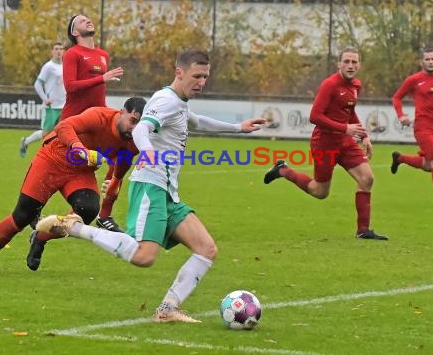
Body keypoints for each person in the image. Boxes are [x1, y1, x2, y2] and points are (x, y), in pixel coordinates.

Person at [35, 49, 266, 323]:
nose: (201, 82)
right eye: (196, 76)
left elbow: (198, 121)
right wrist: (146, 151)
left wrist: (239, 127)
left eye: (205, 76)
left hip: (167, 192)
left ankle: (167, 310)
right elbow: (142, 129)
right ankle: (73, 227)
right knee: (145, 256)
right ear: (179, 72)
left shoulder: (179, 103)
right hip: (150, 187)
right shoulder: (164, 101)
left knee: (206, 249)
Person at [0, 97, 146, 274]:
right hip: (52, 159)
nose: (134, 128)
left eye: (139, 124)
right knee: (22, 216)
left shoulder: (134, 140)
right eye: (132, 121)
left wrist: (115, 182)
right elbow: (63, 127)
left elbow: (124, 160)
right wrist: (80, 149)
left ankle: (40, 236)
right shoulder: (99, 117)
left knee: (87, 211)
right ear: (121, 112)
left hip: (80, 172)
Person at [263, 46, 388, 240]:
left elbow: (350, 112)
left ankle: (363, 230)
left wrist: (364, 135)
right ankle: (283, 170)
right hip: (324, 143)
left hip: (345, 141)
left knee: (367, 179)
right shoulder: (330, 85)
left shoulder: (356, 85)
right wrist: (345, 128)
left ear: (359, 65)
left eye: (354, 62)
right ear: (339, 64)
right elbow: (314, 116)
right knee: (319, 191)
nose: (350, 65)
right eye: (346, 61)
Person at [63, 14, 126, 231]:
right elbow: (70, 86)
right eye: (81, 21)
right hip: (75, 124)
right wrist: (102, 78)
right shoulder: (72, 54)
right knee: (66, 172)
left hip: (97, 123)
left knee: (121, 158)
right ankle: (35, 210)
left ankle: (104, 215)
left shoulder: (102, 54)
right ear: (74, 32)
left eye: (88, 19)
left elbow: (98, 92)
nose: (88, 21)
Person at [390, 47, 433, 209]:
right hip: (423, 127)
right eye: (427, 59)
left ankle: (400, 158)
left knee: (429, 166)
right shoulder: (414, 80)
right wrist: (401, 115)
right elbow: (397, 97)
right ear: (421, 62)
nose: (430, 62)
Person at [20, 42, 66, 158]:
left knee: (64, 131)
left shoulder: (66, 65)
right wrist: (45, 99)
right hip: (51, 106)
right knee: (46, 133)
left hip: (64, 105)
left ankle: (58, 156)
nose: (59, 51)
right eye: (56, 49)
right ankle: (26, 142)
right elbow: (37, 84)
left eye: (61, 49)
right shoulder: (48, 66)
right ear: (52, 51)